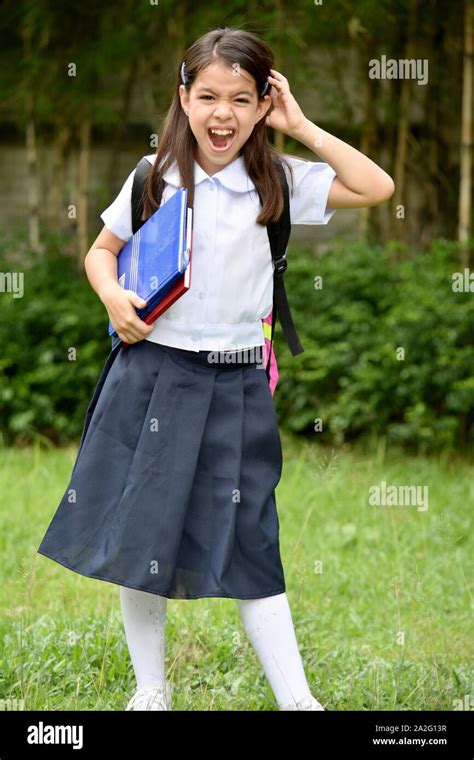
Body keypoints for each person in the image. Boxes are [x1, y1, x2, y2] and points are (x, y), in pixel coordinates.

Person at [37, 26, 394, 712]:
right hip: (152, 377)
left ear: (264, 103)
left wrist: (302, 124)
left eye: (241, 98)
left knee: (252, 539)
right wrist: (113, 298)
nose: (221, 113)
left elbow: (375, 186)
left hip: (236, 386)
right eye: (207, 96)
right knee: (140, 533)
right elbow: (100, 253)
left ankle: (300, 702)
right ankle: (151, 690)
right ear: (183, 97)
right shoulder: (153, 177)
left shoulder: (280, 179)